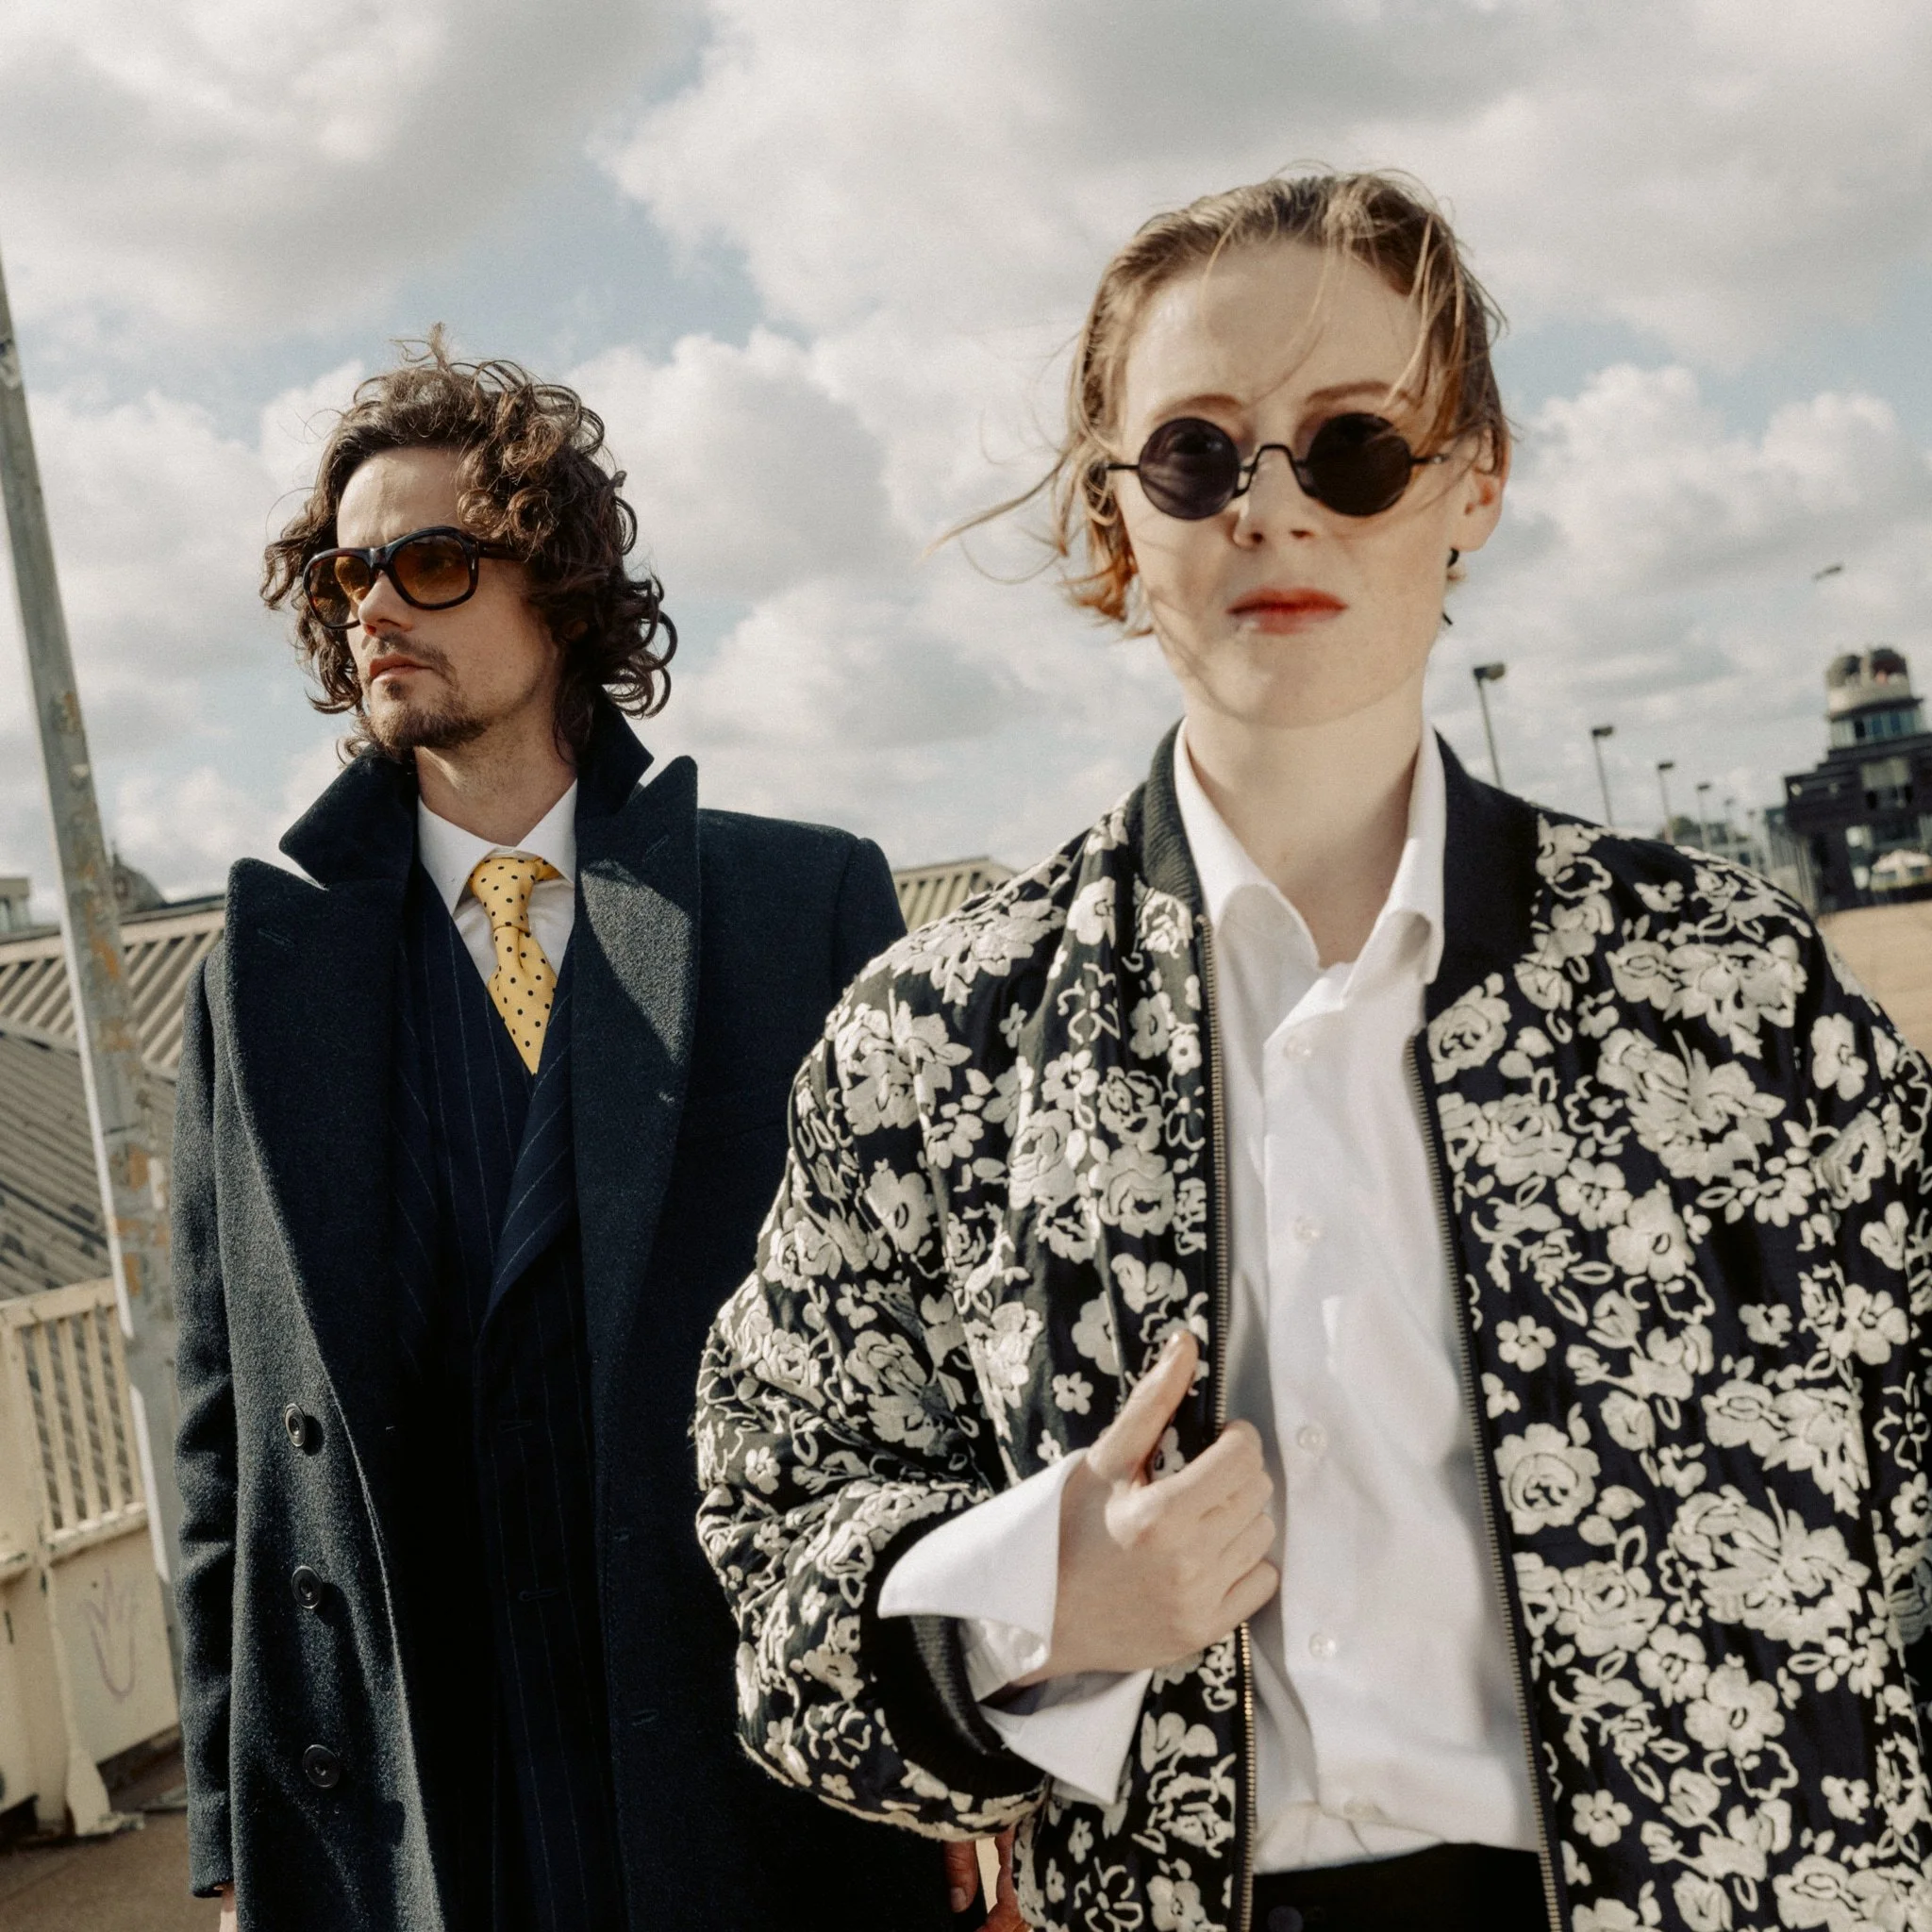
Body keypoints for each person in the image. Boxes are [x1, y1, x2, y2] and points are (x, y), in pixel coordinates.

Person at [694, 172, 1932, 1932]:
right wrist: (1029, 1611)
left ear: (1472, 480)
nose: (1274, 508)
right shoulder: (931, 1047)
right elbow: (770, 1571)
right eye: (1198, 455)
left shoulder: (1731, 993)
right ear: (1120, 524)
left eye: (1353, 447)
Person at [170, 340, 988, 1931]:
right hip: (423, 1781)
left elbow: (930, 1359)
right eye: (349, 575)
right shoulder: (258, 981)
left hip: (734, 1742)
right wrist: (230, 1821)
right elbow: (218, 1423)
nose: (374, 609)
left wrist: (949, 1710)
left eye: (428, 560)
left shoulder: (793, 905)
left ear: (559, 591)